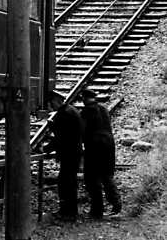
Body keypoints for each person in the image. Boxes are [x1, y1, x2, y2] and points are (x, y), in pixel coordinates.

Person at [80, 89, 121, 219]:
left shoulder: (86, 111)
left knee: (92, 178)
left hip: (95, 146)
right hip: (109, 145)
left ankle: (97, 210)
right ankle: (116, 204)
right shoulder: (103, 109)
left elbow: (82, 130)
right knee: (107, 175)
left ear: (84, 99)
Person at [46, 90, 83, 220]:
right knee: (69, 181)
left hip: (69, 153)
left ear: (57, 101)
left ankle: (68, 212)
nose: (51, 106)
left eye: (51, 103)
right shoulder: (71, 110)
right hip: (74, 151)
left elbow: (61, 137)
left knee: (65, 182)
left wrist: (47, 149)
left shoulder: (64, 114)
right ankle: (69, 210)